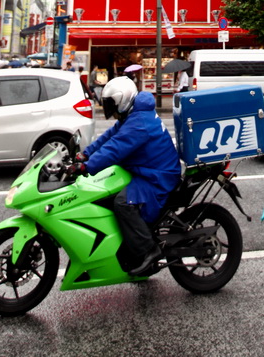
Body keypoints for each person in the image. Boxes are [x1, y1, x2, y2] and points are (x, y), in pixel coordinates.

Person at [65, 76, 181, 276]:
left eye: (111, 103)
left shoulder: (139, 123)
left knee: (122, 202)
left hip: (157, 176)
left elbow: (115, 149)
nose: (109, 108)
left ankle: (148, 250)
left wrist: (86, 167)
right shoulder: (134, 114)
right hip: (148, 169)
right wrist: (85, 154)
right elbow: (110, 137)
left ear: (121, 100)